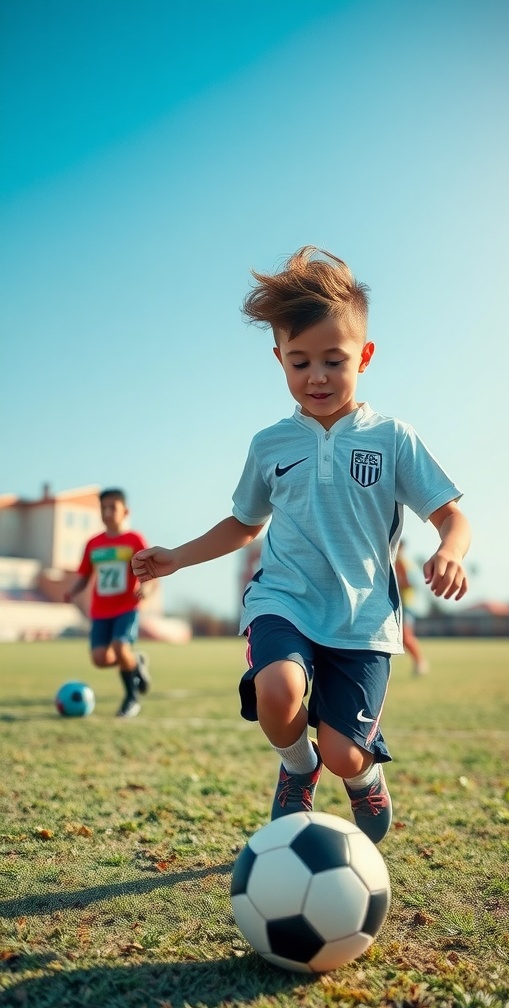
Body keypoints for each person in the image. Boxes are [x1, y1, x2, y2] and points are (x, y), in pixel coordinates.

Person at [132, 246, 471, 843]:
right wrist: (178, 556)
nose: (316, 376)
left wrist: (450, 549)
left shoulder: (393, 438)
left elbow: (452, 516)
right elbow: (244, 524)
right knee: (278, 688)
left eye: (334, 361)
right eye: (300, 361)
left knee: (345, 753)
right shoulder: (270, 444)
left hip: (363, 617)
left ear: (364, 356)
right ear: (280, 362)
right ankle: (296, 769)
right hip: (283, 598)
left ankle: (359, 780)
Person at [64, 487, 152, 718]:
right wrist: (71, 591)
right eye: (103, 507)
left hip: (127, 607)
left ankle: (131, 699)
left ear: (125, 511)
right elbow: (84, 575)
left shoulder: (135, 539)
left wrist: (146, 588)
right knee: (100, 659)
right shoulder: (93, 543)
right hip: (101, 610)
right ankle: (136, 662)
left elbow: (150, 573)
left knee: (120, 647)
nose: (107, 512)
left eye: (112, 507)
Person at [395, 540, 429, 675]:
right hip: (400, 603)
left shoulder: (403, 563)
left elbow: (409, 584)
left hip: (405, 604)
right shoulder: (397, 562)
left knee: (406, 636)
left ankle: (420, 662)